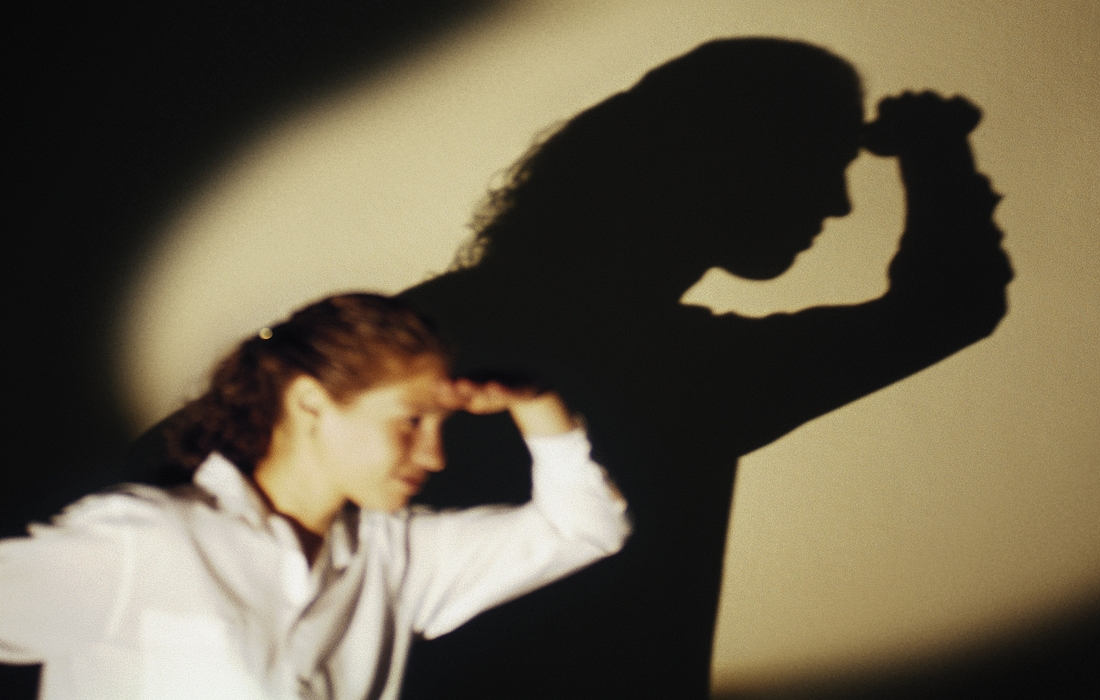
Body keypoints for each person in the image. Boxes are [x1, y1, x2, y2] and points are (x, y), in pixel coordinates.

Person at [392, 38, 1013, 699]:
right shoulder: (679, 371)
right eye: (821, 163)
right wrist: (934, 148)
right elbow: (948, 305)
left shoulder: (417, 328)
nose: (838, 204)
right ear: (734, 159)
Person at [0, 293, 630, 700]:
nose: (435, 457)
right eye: (411, 421)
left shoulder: (395, 556)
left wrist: (537, 403)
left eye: (443, 426)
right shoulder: (150, 539)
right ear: (309, 403)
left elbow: (584, 528)